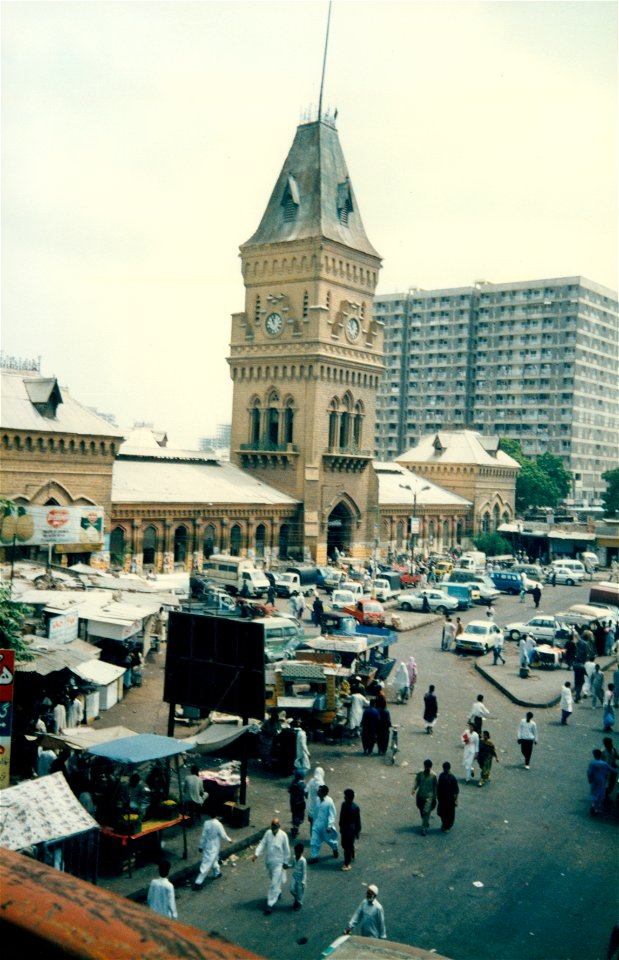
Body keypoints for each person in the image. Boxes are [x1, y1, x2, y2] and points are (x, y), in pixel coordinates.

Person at [252, 818, 291, 914]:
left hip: (279, 863)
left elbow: (287, 850)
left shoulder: (283, 836)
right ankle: (278, 892)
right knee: (273, 879)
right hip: (269, 862)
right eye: (272, 826)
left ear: (279, 826)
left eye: (275, 826)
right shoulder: (268, 833)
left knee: (273, 883)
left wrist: (286, 862)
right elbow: (262, 844)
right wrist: (256, 854)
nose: (273, 828)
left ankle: (270, 904)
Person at [193, 815, 232, 889]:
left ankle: (217, 873)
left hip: (208, 844)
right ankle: (198, 882)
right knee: (209, 862)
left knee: (210, 860)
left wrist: (201, 846)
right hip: (215, 845)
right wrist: (229, 840)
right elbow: (223, 835)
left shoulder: (206, 823)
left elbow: (203, 836)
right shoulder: (218, 824)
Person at [309, 784, 339, 862]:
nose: (318, 792)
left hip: (325, 826)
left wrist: (329, 825)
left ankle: (335, 848)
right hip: (316, 825)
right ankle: (314, 857)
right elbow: (314, 810)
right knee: (314, 840)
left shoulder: (329, 802)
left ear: (324, 793)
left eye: (319, 791)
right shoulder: (317, 800)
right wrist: (311, 816)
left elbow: (332, 814)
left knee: (329, 840)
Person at [411, 759, 438, 835]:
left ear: (430, 767)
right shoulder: (420, 773)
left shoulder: (433, 776)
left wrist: (435, 797)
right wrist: (414, 789)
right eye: (425, 767)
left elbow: (435, 786)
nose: (426, 768)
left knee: (426, 811)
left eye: (428, 767)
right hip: (420, 795)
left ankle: (424, 828)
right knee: (421, 809)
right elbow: (417, 781)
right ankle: (425, 821)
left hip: (429, 796)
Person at [339, 788, 361, 871]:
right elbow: (341, 816)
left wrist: (357, 831)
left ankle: (347, 864)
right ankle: (352, 848)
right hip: (344, 828)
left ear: (349, 797)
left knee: (347, 847)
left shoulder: (355, 807)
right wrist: (340, 825)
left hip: (351, 830)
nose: (344, 797)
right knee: (344, 845)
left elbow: (357, 820)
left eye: (346, 796)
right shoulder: (343, 805)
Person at [587, 749, 613, 815]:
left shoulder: (592, 763)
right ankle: (597, 808)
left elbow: (589, 772)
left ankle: (593, 805)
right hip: (602, 780)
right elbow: (611, 769)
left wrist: (589, 779)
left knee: (594, 793)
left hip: (594, 780)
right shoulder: (604, 763)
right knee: (601, 793)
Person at [437, 761, 459, 832]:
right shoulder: (441, 776)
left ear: (449, 769)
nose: (445, 770)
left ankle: (447, 826)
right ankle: (444, 824)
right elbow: (439, 787)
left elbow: (456, 790)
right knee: (442, 812)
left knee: (450, 814)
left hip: (450, 800)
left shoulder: (452, 778)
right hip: (442, 799)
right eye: (444, 769)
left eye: (446, 769)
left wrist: (456, 800)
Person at [289, 770, 307, 839]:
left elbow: (289, 790)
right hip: (300, 802)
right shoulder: (302, 784)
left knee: (294, 814)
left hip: (293, 801)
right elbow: (305, 792)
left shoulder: (293, 782)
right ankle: (295, 828)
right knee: (300, 816)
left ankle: (294, 827)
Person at [290, 842, 307, 911]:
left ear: (301, 852)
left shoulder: (303, 861)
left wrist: (303, 882)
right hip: (294, 877)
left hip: (300, 879)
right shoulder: (294, 857)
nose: (297, 854)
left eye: (298, 853)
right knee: (292, 889)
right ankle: (297, 899)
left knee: (300, 892)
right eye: (296, 852)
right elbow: (292, 865)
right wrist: (287, 866)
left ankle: (299, 903)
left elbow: (304, 872)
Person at [602, 737, 618, 802]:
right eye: (609, 743)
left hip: (612, 769)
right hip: (605, 771)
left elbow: (616, 756)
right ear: (605, 744)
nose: (611, 744)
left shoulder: (613, 750)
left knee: (612, 784)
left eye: (611, 743)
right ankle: (605, 795)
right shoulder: (603, 752)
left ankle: (606, 794)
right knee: (605, 784)